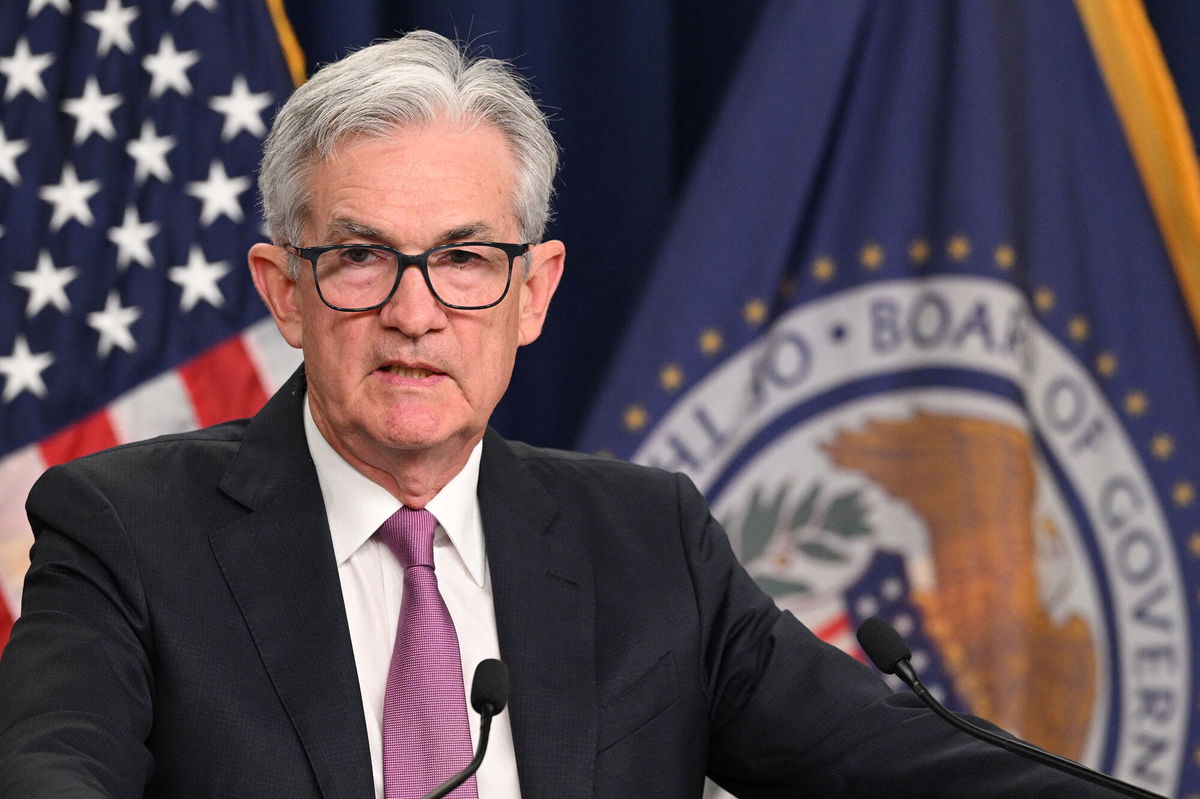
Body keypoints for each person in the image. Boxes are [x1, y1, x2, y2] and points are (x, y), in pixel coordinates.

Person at [0, 30, 1134, 799]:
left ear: (533, 292)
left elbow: (909, 767)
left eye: (465, 259)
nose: (414, 312)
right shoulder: (126, 529)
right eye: (358, 259)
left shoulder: (647, 542)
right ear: (283, 291)